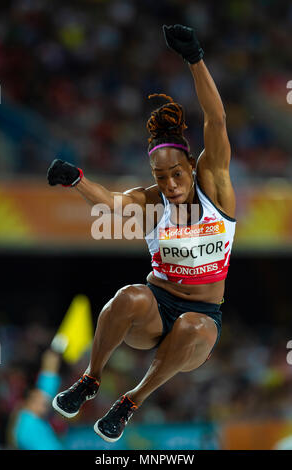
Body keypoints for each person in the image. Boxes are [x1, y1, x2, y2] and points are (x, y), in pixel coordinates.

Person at [47, 24, 236, 443]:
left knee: (191, 327)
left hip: (202, 321)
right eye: (160, 176)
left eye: (176, 174)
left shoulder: (216, 188)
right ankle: (90, 380)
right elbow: (110, 204)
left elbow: (217, 120)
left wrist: (195, 59)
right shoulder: (153, 201)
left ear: (191, 168)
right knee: (129, 295)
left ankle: (129, 402)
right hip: (153, 312)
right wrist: (76, 179)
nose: (170, 184)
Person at [8, 349, 64, 450]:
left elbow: (47, 383)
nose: (44, 400)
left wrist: (52, 357)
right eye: (39, 399)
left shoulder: (29, 416)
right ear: (28, 401)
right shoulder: (29, 425)